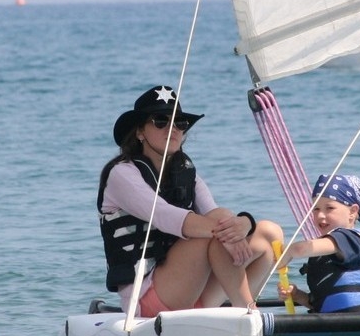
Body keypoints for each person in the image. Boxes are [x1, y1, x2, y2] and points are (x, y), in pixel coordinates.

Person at [97, 85, 283, 316]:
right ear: (140, 132)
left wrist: (246, 223)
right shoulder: (122, 174)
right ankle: (249, 312)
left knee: (268, 234)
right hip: (146, 297)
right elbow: (164, 216)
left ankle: (240, 310)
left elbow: (215, 212)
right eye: (161, 121)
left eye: (180, 123)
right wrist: (227, 232)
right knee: (213, 233)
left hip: (193, 292)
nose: (172, 129)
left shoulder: (184, 172)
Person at [283, 173, 360, 313]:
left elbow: (300, 249)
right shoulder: (320, 254)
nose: (320, 215)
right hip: (331, 324)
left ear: (352, 211)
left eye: (329, 208)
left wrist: (287, 253)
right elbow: (320, 304)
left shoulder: (353, 239)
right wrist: (297, 295)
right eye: (315, 209)